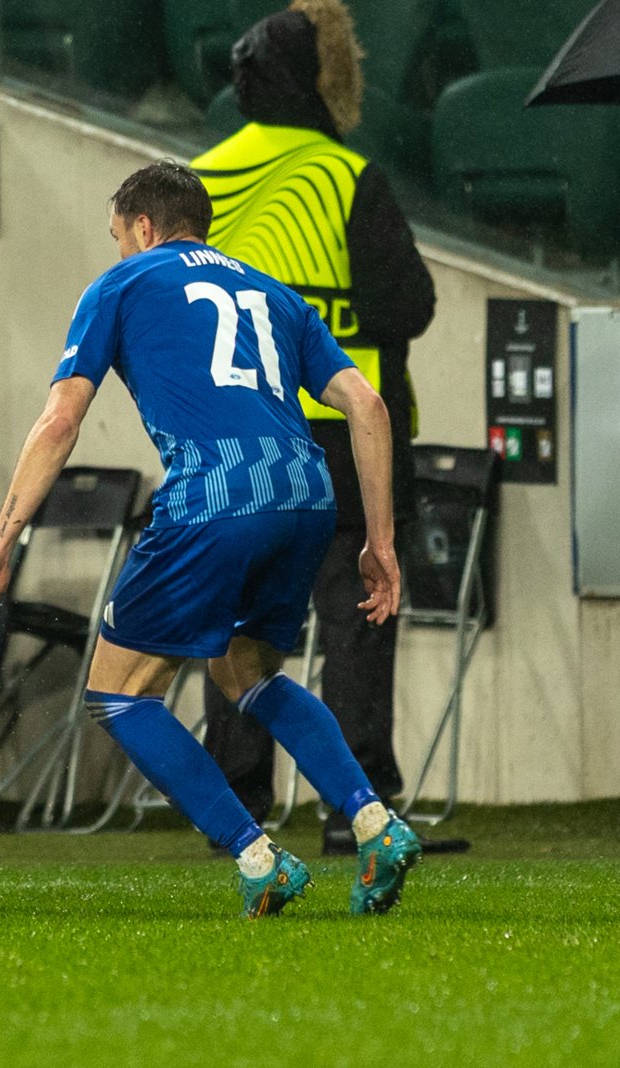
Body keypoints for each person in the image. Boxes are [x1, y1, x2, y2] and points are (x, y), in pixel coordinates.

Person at [0, 160, 423, 917]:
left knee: (120, 691)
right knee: (247, 671)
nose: (118, 253)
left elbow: (59, 422)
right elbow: (367, 405)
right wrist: (380, 541)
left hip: (215, 492)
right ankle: (375, 824)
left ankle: (256, 856)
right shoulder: (275, 294)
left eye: (118, 238)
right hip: (306, 490)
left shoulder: (122, 285)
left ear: (142, 227)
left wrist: (0, 545)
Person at [189, 0, 465, 856]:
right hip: (341, 437)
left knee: (235, 625)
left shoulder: (199, 178)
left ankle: (233, 812)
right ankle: (356, 807)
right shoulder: (347, 176)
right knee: (356, 616)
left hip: (231, 439)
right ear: (323, 79)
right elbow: (405, 305)